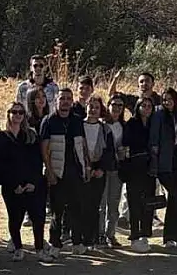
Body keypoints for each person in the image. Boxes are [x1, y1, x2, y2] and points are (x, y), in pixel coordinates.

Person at [0, 103, 49, 262]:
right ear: (8, 114)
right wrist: (14, 185)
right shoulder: (1, 137)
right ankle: (18, 248)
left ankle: (39, 249)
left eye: (21, 112)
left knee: (37, 218)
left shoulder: (31, 135)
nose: (17, 115)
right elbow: (0, 164)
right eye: (14, 112)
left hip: (32, 185)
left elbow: (37, 162)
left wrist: (33, 182)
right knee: (15, 218)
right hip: (12, 187)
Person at [40, 88, 85, 258]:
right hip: (57, 172)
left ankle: (77, 241)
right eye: (62, 98)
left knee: (76, 208)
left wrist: (85, 166)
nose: (65, 101)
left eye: (68, 98)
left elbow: (83, 145)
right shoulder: (49, 121)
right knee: (57, 211)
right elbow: (44, 149)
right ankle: (55, 243)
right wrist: (49, 172)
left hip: (75, 171)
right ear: (56, 101)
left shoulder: (77, 120)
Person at [148, 87, 177, 249]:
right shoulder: (159, 115)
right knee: (176, 196)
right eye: (164, 99)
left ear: (176, 100)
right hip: (163, 163)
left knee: (174, 198)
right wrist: (154, 161)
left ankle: (170, 239)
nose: (167, 102)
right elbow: (153, 139)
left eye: (169, 99)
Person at [77, 97, 115, 251]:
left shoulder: (105, 129)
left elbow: (109, 152)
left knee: (94, 206)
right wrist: (85, 168)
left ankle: (90, 240)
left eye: (96, 107)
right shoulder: (78, 126)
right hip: (81, 171)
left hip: (99, 172)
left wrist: (101, 169)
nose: (93, 110)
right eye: (90, 106)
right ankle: (77, 238)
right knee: (80, 205)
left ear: (101, 110)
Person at [121, 98, 155, 253]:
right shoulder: (131, 124)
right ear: (138, 107)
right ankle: (134, 235)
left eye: (149, 106)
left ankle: (145, 234)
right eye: (143, 106)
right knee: (134, 203)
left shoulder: (154, 124)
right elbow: (126, 146)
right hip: (134, 168)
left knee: (148, 202)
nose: (146, 108)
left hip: (150, 169)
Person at [98, 96, 127, 247]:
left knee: (114, 203)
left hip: (117, 169)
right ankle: (100, 234)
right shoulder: (101, 125)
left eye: (120, 105)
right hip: (103, 169)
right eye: (114, 104)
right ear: (108, 106)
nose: (116, 108)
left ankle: (111, 234)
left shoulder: (123, 125)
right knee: (101, 204)